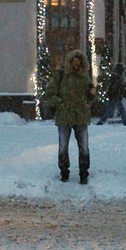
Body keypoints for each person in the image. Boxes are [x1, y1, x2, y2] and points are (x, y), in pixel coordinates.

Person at [41, 48, 95, 183]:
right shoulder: (61, 76)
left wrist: (92, 96)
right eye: (74, 62)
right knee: (63, 146)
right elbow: (49, 95)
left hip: (81, 116)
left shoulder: (85, 77)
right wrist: (61, 104)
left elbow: (90, 97)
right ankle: (64, 172)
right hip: (64, 116)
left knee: (83, 147)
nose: (76, 65)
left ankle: (84, 173)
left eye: (79, 62)